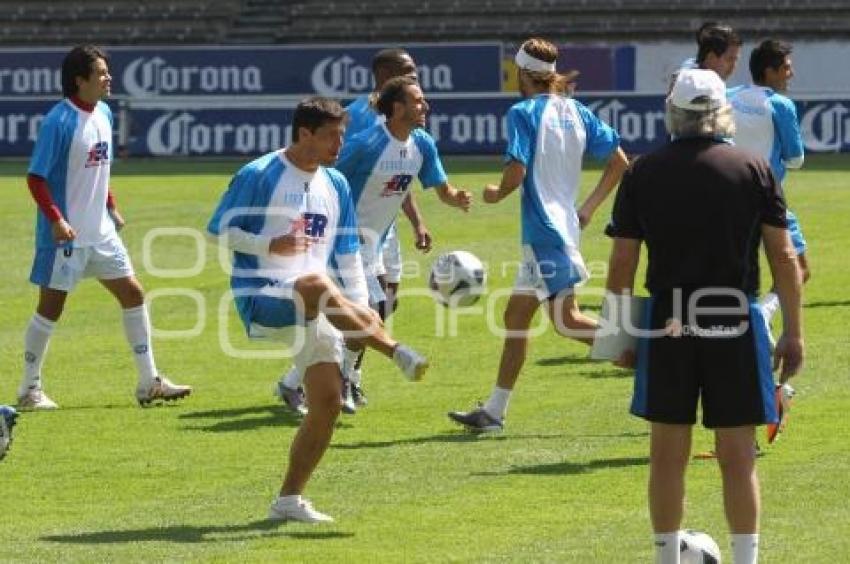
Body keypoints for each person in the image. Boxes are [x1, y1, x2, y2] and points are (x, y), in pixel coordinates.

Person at [604, 68, 803, 564]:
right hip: (735, 321)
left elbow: (623, 263)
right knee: (738, 458)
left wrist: (619, 338)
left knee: (667, 456)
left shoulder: (642, 172)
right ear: (722, 112)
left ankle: (667, 559)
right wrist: (794, 333)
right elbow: (784, 258)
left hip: (668, 323)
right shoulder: (754, 169)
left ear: (673, 111)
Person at [207, 96, 429, 523]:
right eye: (330, 135)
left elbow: (348, 250)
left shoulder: (335, 183)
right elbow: (221, 228)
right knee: (313, 282)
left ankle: (288, 501)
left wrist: (362, 308)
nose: (339, 144)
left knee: (327, 402)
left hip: (320, 302)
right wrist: (267, 245)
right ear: (304, 134)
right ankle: (396, 352)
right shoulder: (260, 173)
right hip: (263, 296)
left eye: (342, 134)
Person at [448, 37, 628, 433]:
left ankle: (652, 354)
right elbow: (619, 163)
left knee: (567, 321)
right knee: (516, 317)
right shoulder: (577, 111)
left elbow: (516, 172)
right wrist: (587, 208)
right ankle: (494, 412)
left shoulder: (522, 113)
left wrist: (496, 193)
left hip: (546, 232)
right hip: (557, 229)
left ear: (522, 74)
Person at [276, 75, 472, 416]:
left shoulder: (422, 144)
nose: (426, 105)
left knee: (375, 309)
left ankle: (300, 382)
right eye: (418, 100)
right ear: (397, 109)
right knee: (367, 313)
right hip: (342, 241)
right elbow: (319, 171)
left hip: (376, 242)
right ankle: (334, 380)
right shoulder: (366, 145)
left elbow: (439, 186)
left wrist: (456, 198)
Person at [18, 45, 191, 409]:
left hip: (101, 233)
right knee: (50, 309)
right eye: (101, 73)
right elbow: (36, 178)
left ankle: (149, 382)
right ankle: (29, 389)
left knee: (132, 294)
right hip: (67, 237)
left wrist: (111, 206)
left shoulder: (105, 113)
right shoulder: (59, 121)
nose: (108, 77)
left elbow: (100, 168)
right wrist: (57, 220)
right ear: (80, 80)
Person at [727, 40, 808, 334]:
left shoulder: (728, 95)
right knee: (798, 269)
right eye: (786, 67)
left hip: (727, 197)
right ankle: (762, 315)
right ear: (770, 71)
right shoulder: (779, 104)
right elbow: (796, 159)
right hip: (767, 198)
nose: (791, 74)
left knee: (735, 274)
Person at [672, 22, 742, 89]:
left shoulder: (688, 71)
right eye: (729, 59)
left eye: (736, 60)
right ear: (711, 57)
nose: (733, 66)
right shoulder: (696, 85)